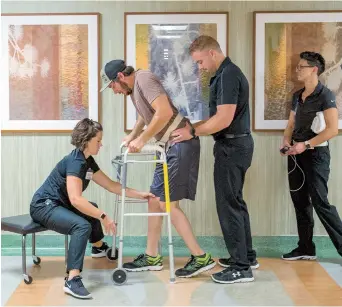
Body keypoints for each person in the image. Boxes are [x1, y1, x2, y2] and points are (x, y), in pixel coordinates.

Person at [100, 59, 215, 278]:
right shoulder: (134, 90)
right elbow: (146, 115)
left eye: (112, 86)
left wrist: (142, 140)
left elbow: (162, 112)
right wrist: (132, 136)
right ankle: (151, 256)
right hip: (167, 147)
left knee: (167, 204)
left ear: (120, 78)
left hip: (180, 145)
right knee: (154, 199)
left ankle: (201, 257)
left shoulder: (144, 79)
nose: (113, 91)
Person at [30, 118, 154, 299]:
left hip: (59, 204)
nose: (101, 144)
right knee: (82, 225)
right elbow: (75, 199)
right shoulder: (75, 162)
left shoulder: (88, 161)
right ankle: (72, 279)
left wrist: (140, 194)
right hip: (44, 206)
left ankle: (98, 247)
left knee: (92, 208)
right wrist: (104, 216)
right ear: (86, 140)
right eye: (98, 140)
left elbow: (111, 185)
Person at [171, 35, 258, 284]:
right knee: (236, 202)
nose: (200, 67)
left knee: (228, 205)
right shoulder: (224, 74)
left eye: (200, 62)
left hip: (232, 146)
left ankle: (241, 268)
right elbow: (217, 118)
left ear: (212, 53)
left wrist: (192, 131)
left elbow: (223, 119)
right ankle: (247, 256)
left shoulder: (229, 74)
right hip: (234, 144)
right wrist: (192, 126)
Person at [280, 51, 342, 260]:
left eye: (301, 67)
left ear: (314, 69)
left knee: (320, 202)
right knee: (300, 201)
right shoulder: (297, 96)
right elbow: (291, 124)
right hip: (296, 155)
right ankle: (306, 247)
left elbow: (332, 130)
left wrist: (305, 145)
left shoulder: (326, 95)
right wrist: (286, 141)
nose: (297, 70)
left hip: (316, 155)